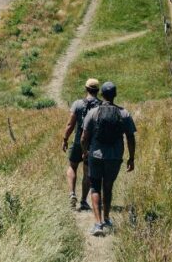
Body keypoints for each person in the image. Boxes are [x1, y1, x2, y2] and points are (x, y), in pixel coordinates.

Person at [81, 81, 136, 236]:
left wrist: (85, 152)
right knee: (108, 186)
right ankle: (106, 218)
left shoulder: (93, 112)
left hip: (96, 156)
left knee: (95, 187)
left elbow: (84, 137)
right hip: (114, 157)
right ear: (115, 95)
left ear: (102, 94)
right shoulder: (124, 113)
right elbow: (131, 138)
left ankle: (98, 224)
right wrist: (131, 158)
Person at [62, 78, 101, 211]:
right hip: (92, 145)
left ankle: (72, 193)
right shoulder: (101, 106)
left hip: (78, 141)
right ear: (98, 91)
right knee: (87, 172)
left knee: (72, 166)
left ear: (86, 89)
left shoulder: (78, 104)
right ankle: (84, 200)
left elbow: (70, 124)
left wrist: (65, 139)